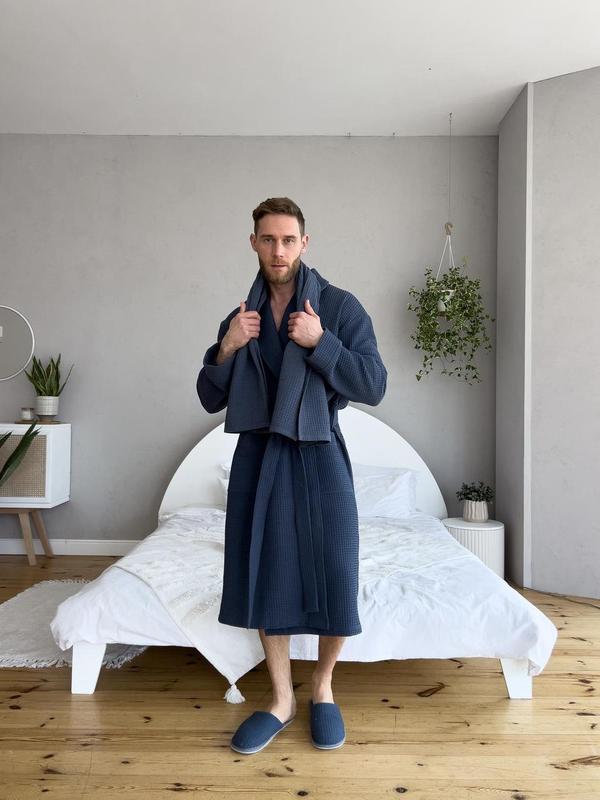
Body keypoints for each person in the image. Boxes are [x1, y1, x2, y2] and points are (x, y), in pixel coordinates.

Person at [197, 197, 387, 752]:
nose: (278, 250)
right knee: (268, 569)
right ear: (253, 243)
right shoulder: (241, 318)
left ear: (304, 243)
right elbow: (209, 395)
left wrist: (321, 342)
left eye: (287, 240)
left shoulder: (339, 307)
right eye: (268, 239)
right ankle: (280, 698)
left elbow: (374, 384)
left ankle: (323, 688)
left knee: (336, 568)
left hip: (320, 451)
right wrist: (227, 346)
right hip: (259, 454)